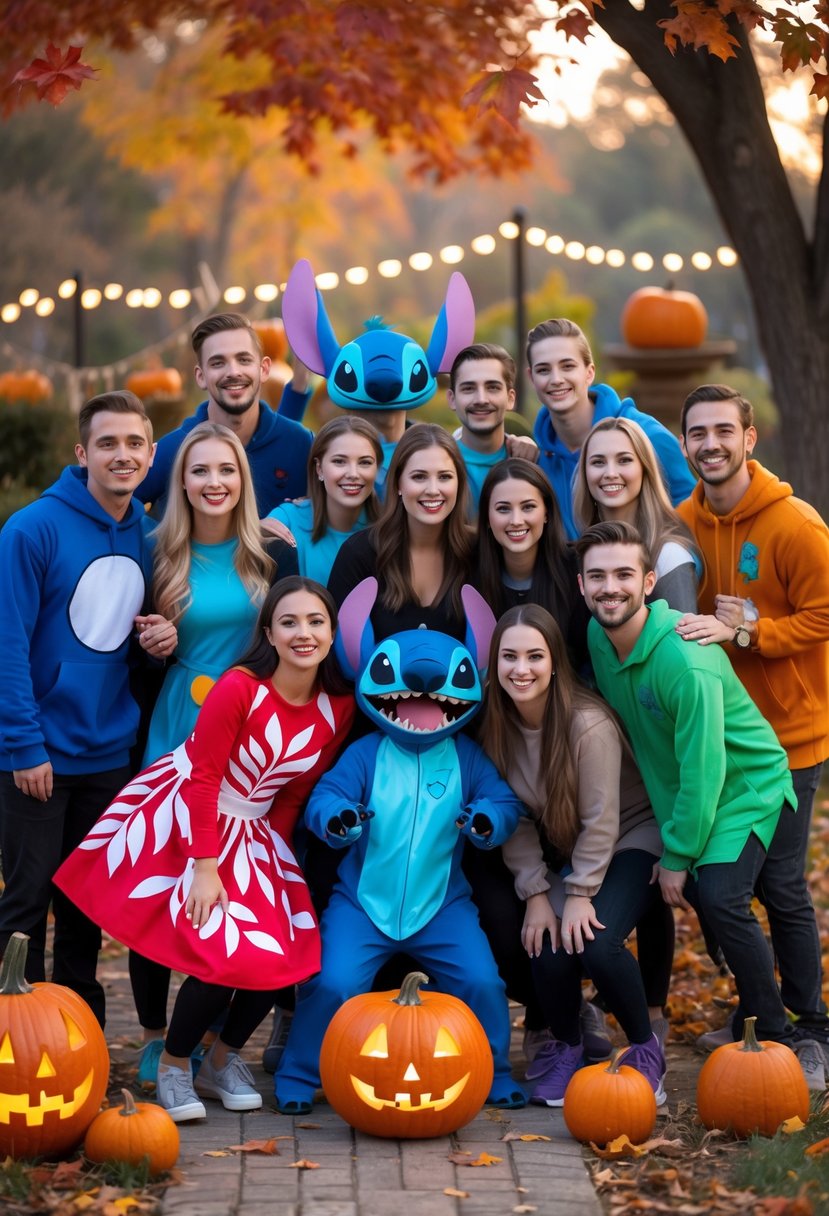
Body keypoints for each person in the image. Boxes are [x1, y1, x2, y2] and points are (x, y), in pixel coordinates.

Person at [55, 578, 355, 1121]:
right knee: (221, 958)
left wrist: (275, 867)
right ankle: (173, 1065)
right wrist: (205, 865)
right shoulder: (240, 686)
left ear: (333, 634)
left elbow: (290, 795)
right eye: (289, 622)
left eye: (316, 622)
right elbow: (204, 777)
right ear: (269, 632)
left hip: (258, 830)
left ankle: (221, 1059)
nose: (303, 633)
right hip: (190, 817)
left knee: (284, 958)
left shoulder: (338, 709)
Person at [575, 520, 825, 1083]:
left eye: (622, 575)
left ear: (647, 583)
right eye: (597, 577)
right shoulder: (599, 639)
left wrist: (677, 855)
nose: (609, 588)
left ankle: (779, 1040)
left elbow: (706, 766)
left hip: (747, 785)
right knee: (713, 895)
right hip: (690, 793)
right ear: (581, 586)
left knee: (719, 896)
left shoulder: (683, 661)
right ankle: (754, 1016)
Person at [129, 421, 297, 1081]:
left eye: (225, 470)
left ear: (242, 479)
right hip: (176, 734)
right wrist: (151, 649)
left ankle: (209, 1041)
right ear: (182, 482)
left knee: (233, 890)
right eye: (199, 471)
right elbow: (130, 658)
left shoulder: (271, 556)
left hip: (248, 747)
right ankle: (152, 1033)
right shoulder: (156, 554)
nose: (214, 482)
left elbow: (291, 642)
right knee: (160, 889)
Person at [0, 390, 172, 1026]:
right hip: (39, 754)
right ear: (82, 453)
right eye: (107, 443)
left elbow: (132, 645)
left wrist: (159, 646)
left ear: (151, 454)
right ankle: (13, 1039)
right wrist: (23, 746)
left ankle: (79, 1038)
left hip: (109, 753)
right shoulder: (31, 530)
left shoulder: (149, 537)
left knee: (84, 909)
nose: (122, 456)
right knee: (24, 904)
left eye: (134, 444)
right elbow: (8, 645)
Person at [675, 383, 829, 1053]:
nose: (709, 444)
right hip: (727, 742)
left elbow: (823, 615)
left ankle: (810, 1028)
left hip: (792, 739)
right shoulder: (684, 524)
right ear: (683, 444)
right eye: (696, 433)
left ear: (747, 439)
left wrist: (750, 635)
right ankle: (757, 1015)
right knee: (726, 889)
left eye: (720, 431)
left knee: (779, 885)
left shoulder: (794, 524)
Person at [479, 604, 667, 1106]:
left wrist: (580, 894)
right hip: (574, 851)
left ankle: (647, 1051)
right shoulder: (496, 726)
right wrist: (537, 892)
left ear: (556, 661)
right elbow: (513, 817)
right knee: (547, 941)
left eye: (535, 656)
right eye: (510, 657)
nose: (522, 669)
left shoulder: (588, 724)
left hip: (633, 837)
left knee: (597, 942)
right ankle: (567, 1045)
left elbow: (603, 818)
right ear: (494, 664)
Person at [527, 318, 695, 539]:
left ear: (589, 372)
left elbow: (692, 521)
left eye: (567, 366)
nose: (556, 379)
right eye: (543, 370)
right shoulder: (538, 460)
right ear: (531, 377)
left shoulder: (649, 437)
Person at [136, 313, 313, 517]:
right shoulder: (174, 449)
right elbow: (114, 505)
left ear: (263, 369)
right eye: (218, 363)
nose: (233, 372)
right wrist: (153, 539)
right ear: (201, 377)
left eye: (244, 359)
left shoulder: (300, 443)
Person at [327, 422, 473, 640]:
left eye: (444, 477)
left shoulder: (479, 552)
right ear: (398, 484)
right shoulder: (359, 554)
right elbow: (336, 651)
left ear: (459, 483)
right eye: (419, 477)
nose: (433, 490)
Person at [574, 416, 699, 612]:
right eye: (598, 462)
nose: (611, 473)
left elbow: (682, 641)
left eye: (624, 460)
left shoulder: (669, 555)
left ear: (645, 469)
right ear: (585, 472)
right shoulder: (581, 550)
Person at [475, 458, 589, 672]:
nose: (516, 520)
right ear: (487, 518)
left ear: (546, 512)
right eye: (503, 509)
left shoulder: (578, 569)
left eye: (528, 507)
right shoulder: (470, 573)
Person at [262, 416, 382, 583]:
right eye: (339, 461)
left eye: (365, 462)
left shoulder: (388, 528)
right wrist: (253, 532)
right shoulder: (288, 519)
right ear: (319, 469)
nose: (353, 474)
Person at [446, 343, 537, 510]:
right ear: (452, 399)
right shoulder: (438, 466)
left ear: (511, 398)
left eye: (492, 387)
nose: (481, 399)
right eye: (468, 388)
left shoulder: (533, 462)